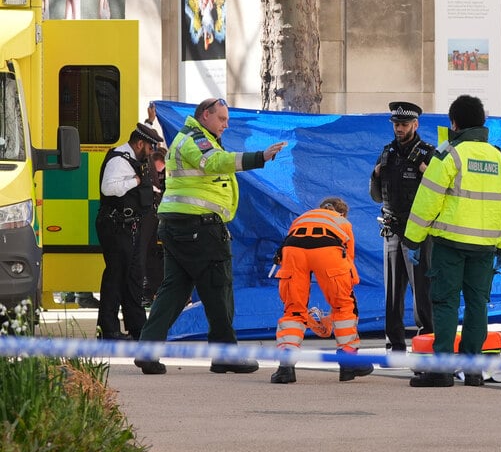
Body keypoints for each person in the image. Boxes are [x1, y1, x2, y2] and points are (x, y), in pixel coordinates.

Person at [134, 98, 287, 374]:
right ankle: (225, 355)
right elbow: (215, 163)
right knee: (218, 288)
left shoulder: (192, 137)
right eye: (222, 119)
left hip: (179, 225)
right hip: (198, 227)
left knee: (174, 291)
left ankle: (148, 350)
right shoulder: (196, 138)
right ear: (205, 115)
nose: (226, 125)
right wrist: (259, 157)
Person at [402, 95, 501, 387]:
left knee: (445, 302)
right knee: (478, 304)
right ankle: (474, 370)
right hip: (485, 247)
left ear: (454, 123)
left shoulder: (449, 155)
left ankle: (442, 371)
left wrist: (413, 240)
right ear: (482, 123)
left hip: (449, 244)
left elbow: (427, 199)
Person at [270, 197, 374, 384]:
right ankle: (348, 363)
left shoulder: (304, 217)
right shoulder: (342, 222)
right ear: (341, 212)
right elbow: (348, 260)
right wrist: (348, 286)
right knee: (344, 307)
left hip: (293, 250)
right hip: (328, 250)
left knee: (293, 309)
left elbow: (290, 242)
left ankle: (286, 367)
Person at [369, 101, 436, 354]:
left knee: (423, 291)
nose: (399, 128)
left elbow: (440, 193)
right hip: (392, 230)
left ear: (415, 125)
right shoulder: (387, 153)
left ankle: (427, 341)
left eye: (404, 124)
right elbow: (376, 196)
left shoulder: (428, 153)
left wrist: (427, 173)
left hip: (419, 231)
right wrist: (375, 175)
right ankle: (394, 345)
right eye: (396, 124)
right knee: (393, 293)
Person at [96, 123, 164, 340]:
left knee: (133, 276)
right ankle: (109, 329)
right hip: (115, 225)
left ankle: (137, 327)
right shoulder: (119, 160)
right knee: (116, 277)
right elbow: (109, 188)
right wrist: (135, 181)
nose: (152, 152)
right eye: (150, 147)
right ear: (140, 143)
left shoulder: (136, 160)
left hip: (129, 226)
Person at [138, 147, 167, 306]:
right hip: (150, 221)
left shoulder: (155, 175)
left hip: (154, 221)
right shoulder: (149, 174)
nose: (161, 171)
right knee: (150, 258)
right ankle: (148, 292)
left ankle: (150, 292)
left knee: (153, 258)